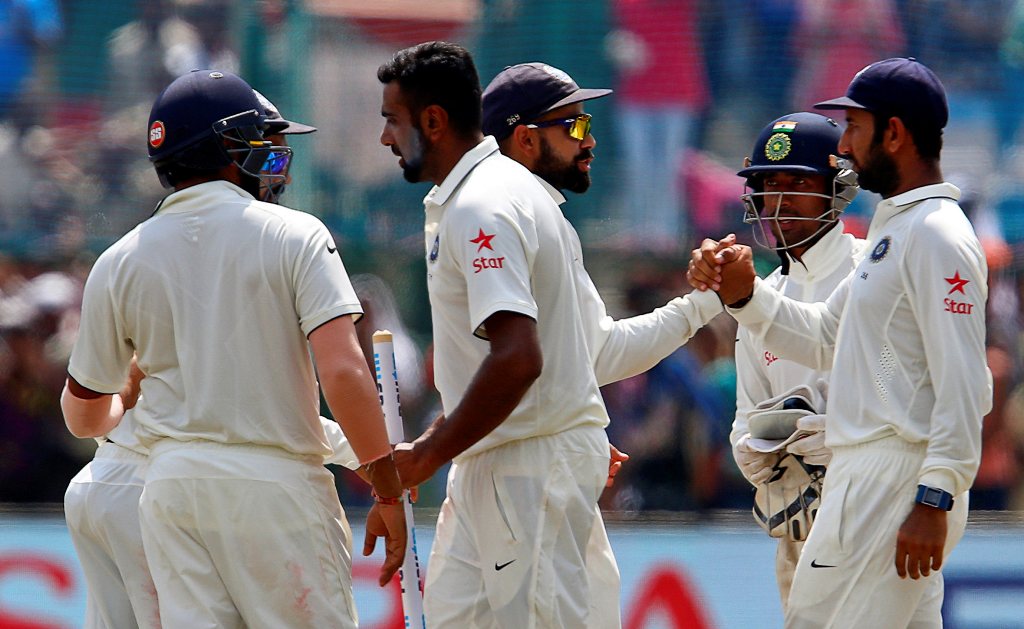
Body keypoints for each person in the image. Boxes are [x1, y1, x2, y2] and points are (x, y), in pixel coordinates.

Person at [60, 69, 405, 628]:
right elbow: (343, 372)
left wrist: (125, 402)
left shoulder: (119, 260)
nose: (277, 162)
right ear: (228, 147)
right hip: (275, 494)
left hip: (173, 492)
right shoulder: (297, 235)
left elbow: (82, 417)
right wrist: (386, 489)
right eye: (266, 145)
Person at [689, 58, 990, 627]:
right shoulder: (894, 232)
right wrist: (746, 295)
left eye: (854, 128)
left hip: (892, 477)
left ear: (894, 134)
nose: (845, 147)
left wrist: (936, 496)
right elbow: (829, 335)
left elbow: (965, 381)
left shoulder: (937, 235)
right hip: (872, 471)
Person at [479, 61, 727, 626]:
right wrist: (569, 429)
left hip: (552, 472)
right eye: (572, 127)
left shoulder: (548, 222)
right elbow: (496, 361)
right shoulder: (500, 217)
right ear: (524, 137)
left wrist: (702, 301)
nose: (589, 139)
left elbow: (599, 355)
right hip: (526, 478)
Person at [728, 111, 864, 610]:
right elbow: (746, 416)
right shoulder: (760, 298)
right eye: (768, 184)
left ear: (838, 188)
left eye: (798, 182)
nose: (779, 200)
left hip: (869, 511)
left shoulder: (870, 273)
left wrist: (846, 438)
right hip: (796, 527)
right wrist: (751, 454)